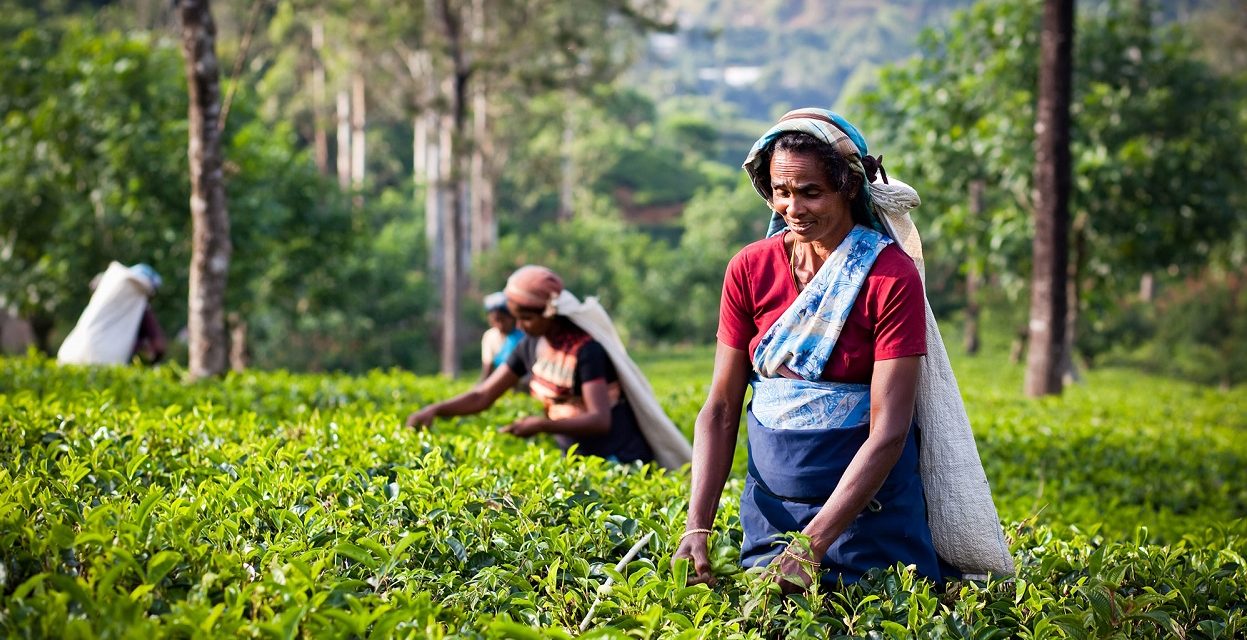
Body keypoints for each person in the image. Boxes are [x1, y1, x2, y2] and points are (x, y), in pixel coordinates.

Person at [672, 109, 954, 593]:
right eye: (782, 192)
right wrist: (697, 526)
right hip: (770, 519)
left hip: (870, 523)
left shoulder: (889, 278)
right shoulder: (749, 269)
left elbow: (889, 431)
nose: (793, 208)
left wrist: (812, 544)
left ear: (848, 187)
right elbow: (720, 409)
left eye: (811, 192)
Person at [406, 266, 692, 468]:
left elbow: (599, 419)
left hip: (620, 459)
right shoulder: (530, 345)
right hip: (576, 457)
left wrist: (542, 425)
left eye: (526, 319)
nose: (520, 327)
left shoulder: (586, 351)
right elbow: (483, 395)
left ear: (549, 313)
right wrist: (436, 410)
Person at [58, 262, 166, 366]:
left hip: (71, 352)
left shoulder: (105, 295)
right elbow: (158, 346)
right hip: (105, 364)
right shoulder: (140, 306)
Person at [479, 291, 524, 380]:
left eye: (503, 320)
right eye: (495, 320)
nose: (500, 325)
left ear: (513, 317)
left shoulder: (523, 335)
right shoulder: (490, 336)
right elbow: (487, 370)